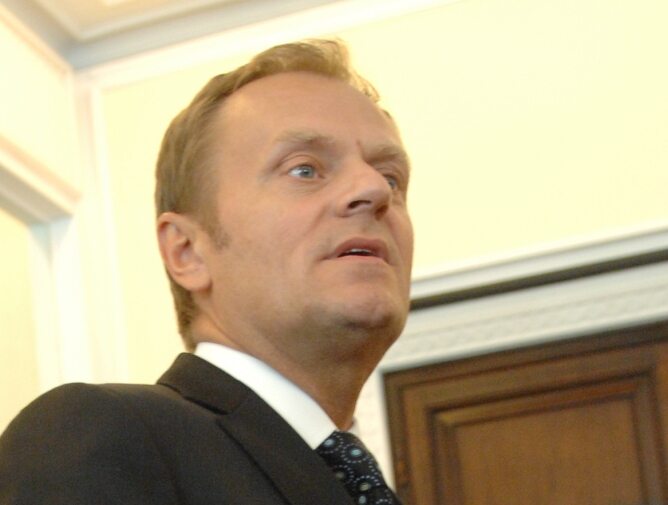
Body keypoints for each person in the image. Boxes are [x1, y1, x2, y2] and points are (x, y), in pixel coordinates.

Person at [0, 39, 413, 504]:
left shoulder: (356, 484)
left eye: (391, 177)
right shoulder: (102, 433)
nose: (374, 189)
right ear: (187, 251)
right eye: (304, 170)